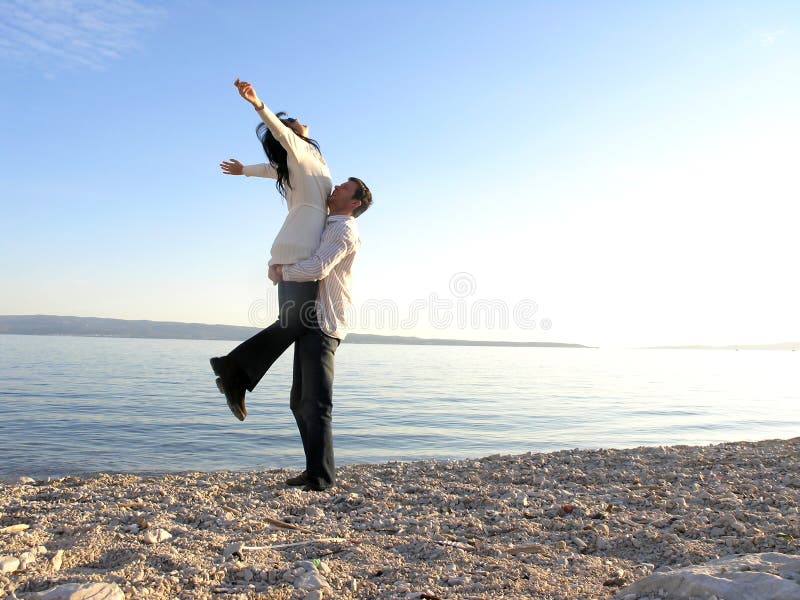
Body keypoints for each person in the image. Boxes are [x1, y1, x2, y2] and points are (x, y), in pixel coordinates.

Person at [211, 79, 331, 421]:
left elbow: (269, 168)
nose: (299, 121)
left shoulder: (306, 161)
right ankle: (232, 368)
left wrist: (244, 170)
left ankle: (236, 372)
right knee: (297, 323)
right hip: (301, 244)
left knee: (296, 323)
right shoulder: (300, 149)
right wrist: (258, 104)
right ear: (294, 134)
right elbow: (280, 135)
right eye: (294, 123)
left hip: (296, 241)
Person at [268, 176, 373, 491]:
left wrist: (283, 272)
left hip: (324, 322)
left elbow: (317, 267)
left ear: (354, 203)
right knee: (300, 401)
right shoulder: (327, 224)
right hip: (309, 319)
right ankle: (314, 470)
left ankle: (321, 477)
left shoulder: (343, 229)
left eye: (344, 188)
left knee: (316, 402)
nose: (337, 187)